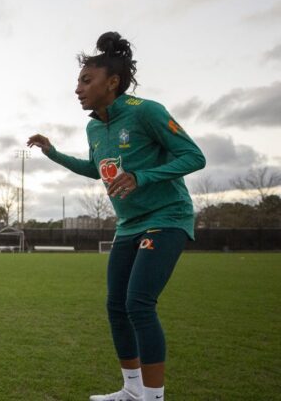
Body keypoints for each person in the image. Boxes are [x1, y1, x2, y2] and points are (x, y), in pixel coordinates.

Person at [27, 32, 205, 401]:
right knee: (116, 306)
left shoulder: (146, 111)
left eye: (85, 80)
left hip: (168, 216)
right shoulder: (94, 126)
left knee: (139, 302)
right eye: (77, 81)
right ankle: (131, 389)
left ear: (113, 82)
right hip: (129, 224)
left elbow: (194, 156)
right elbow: (97, 169)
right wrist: (52, 152)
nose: (77, 88)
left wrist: (142, 177)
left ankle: (153, 398)